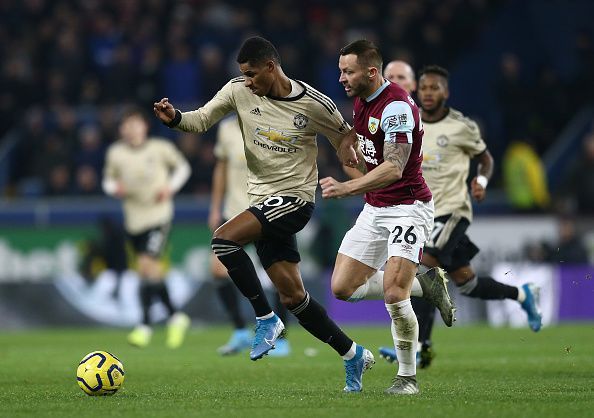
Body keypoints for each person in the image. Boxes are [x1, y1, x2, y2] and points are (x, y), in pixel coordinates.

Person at [154, 36, 374, 392]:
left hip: (296, 200)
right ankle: (352, 354)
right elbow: (201, 120)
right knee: (294, 297)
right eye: (244, 75)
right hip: (262, 202)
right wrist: (174, 118)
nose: (248, 82)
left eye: (253, 74)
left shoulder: (315, 104)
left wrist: (365, 182)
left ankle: (265, 319)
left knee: (223, 241)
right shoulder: (238, 90)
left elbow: (346, 145)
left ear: (271, 67)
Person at [377, 65, 543, 366]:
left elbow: (486, 159)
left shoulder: (461, 126)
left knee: (420, 268)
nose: (428, 93)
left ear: (443, 92)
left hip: (451, 211)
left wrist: (481, 181)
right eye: (424, 89)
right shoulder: (404, 123)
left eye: (432, 88)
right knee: (467, 283)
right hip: (419, 214)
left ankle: (415, 347)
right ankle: (522, 294)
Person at [320, 40, 442, 396]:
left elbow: (394, 166)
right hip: (376, 208)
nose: (342, 77)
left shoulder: (399, 107)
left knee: (393, 294)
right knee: (342, 288)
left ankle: (407, 378)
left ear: (371, 72)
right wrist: (349, 142)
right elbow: (365, 143)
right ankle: (427, 284)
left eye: (348, 71)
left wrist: (347, 188)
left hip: (408, 206)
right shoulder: (362, 99)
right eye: (341, 70)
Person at [102, 107, 192, 349]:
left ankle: (144, 325)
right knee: (147, 273)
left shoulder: (160, 149)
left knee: (146, 264)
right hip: (133, 221)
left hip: (158, 217)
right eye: (126, 125)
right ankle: (175, 316)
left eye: (135, 124)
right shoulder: (116, 153)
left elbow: (183, 168)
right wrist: (114, 189)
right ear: (121, 129)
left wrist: (170, 188)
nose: (131, 130)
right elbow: (108, 180)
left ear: (144, 127)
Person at [210, 115, 291, 357]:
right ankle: (239, 331)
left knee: (279, 276)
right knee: (216, 269)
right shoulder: (226, 128)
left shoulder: (271, 120)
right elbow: (221, 168)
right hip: (233, 210)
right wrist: (215, 208)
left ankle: (281, 337)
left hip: (265, 209)